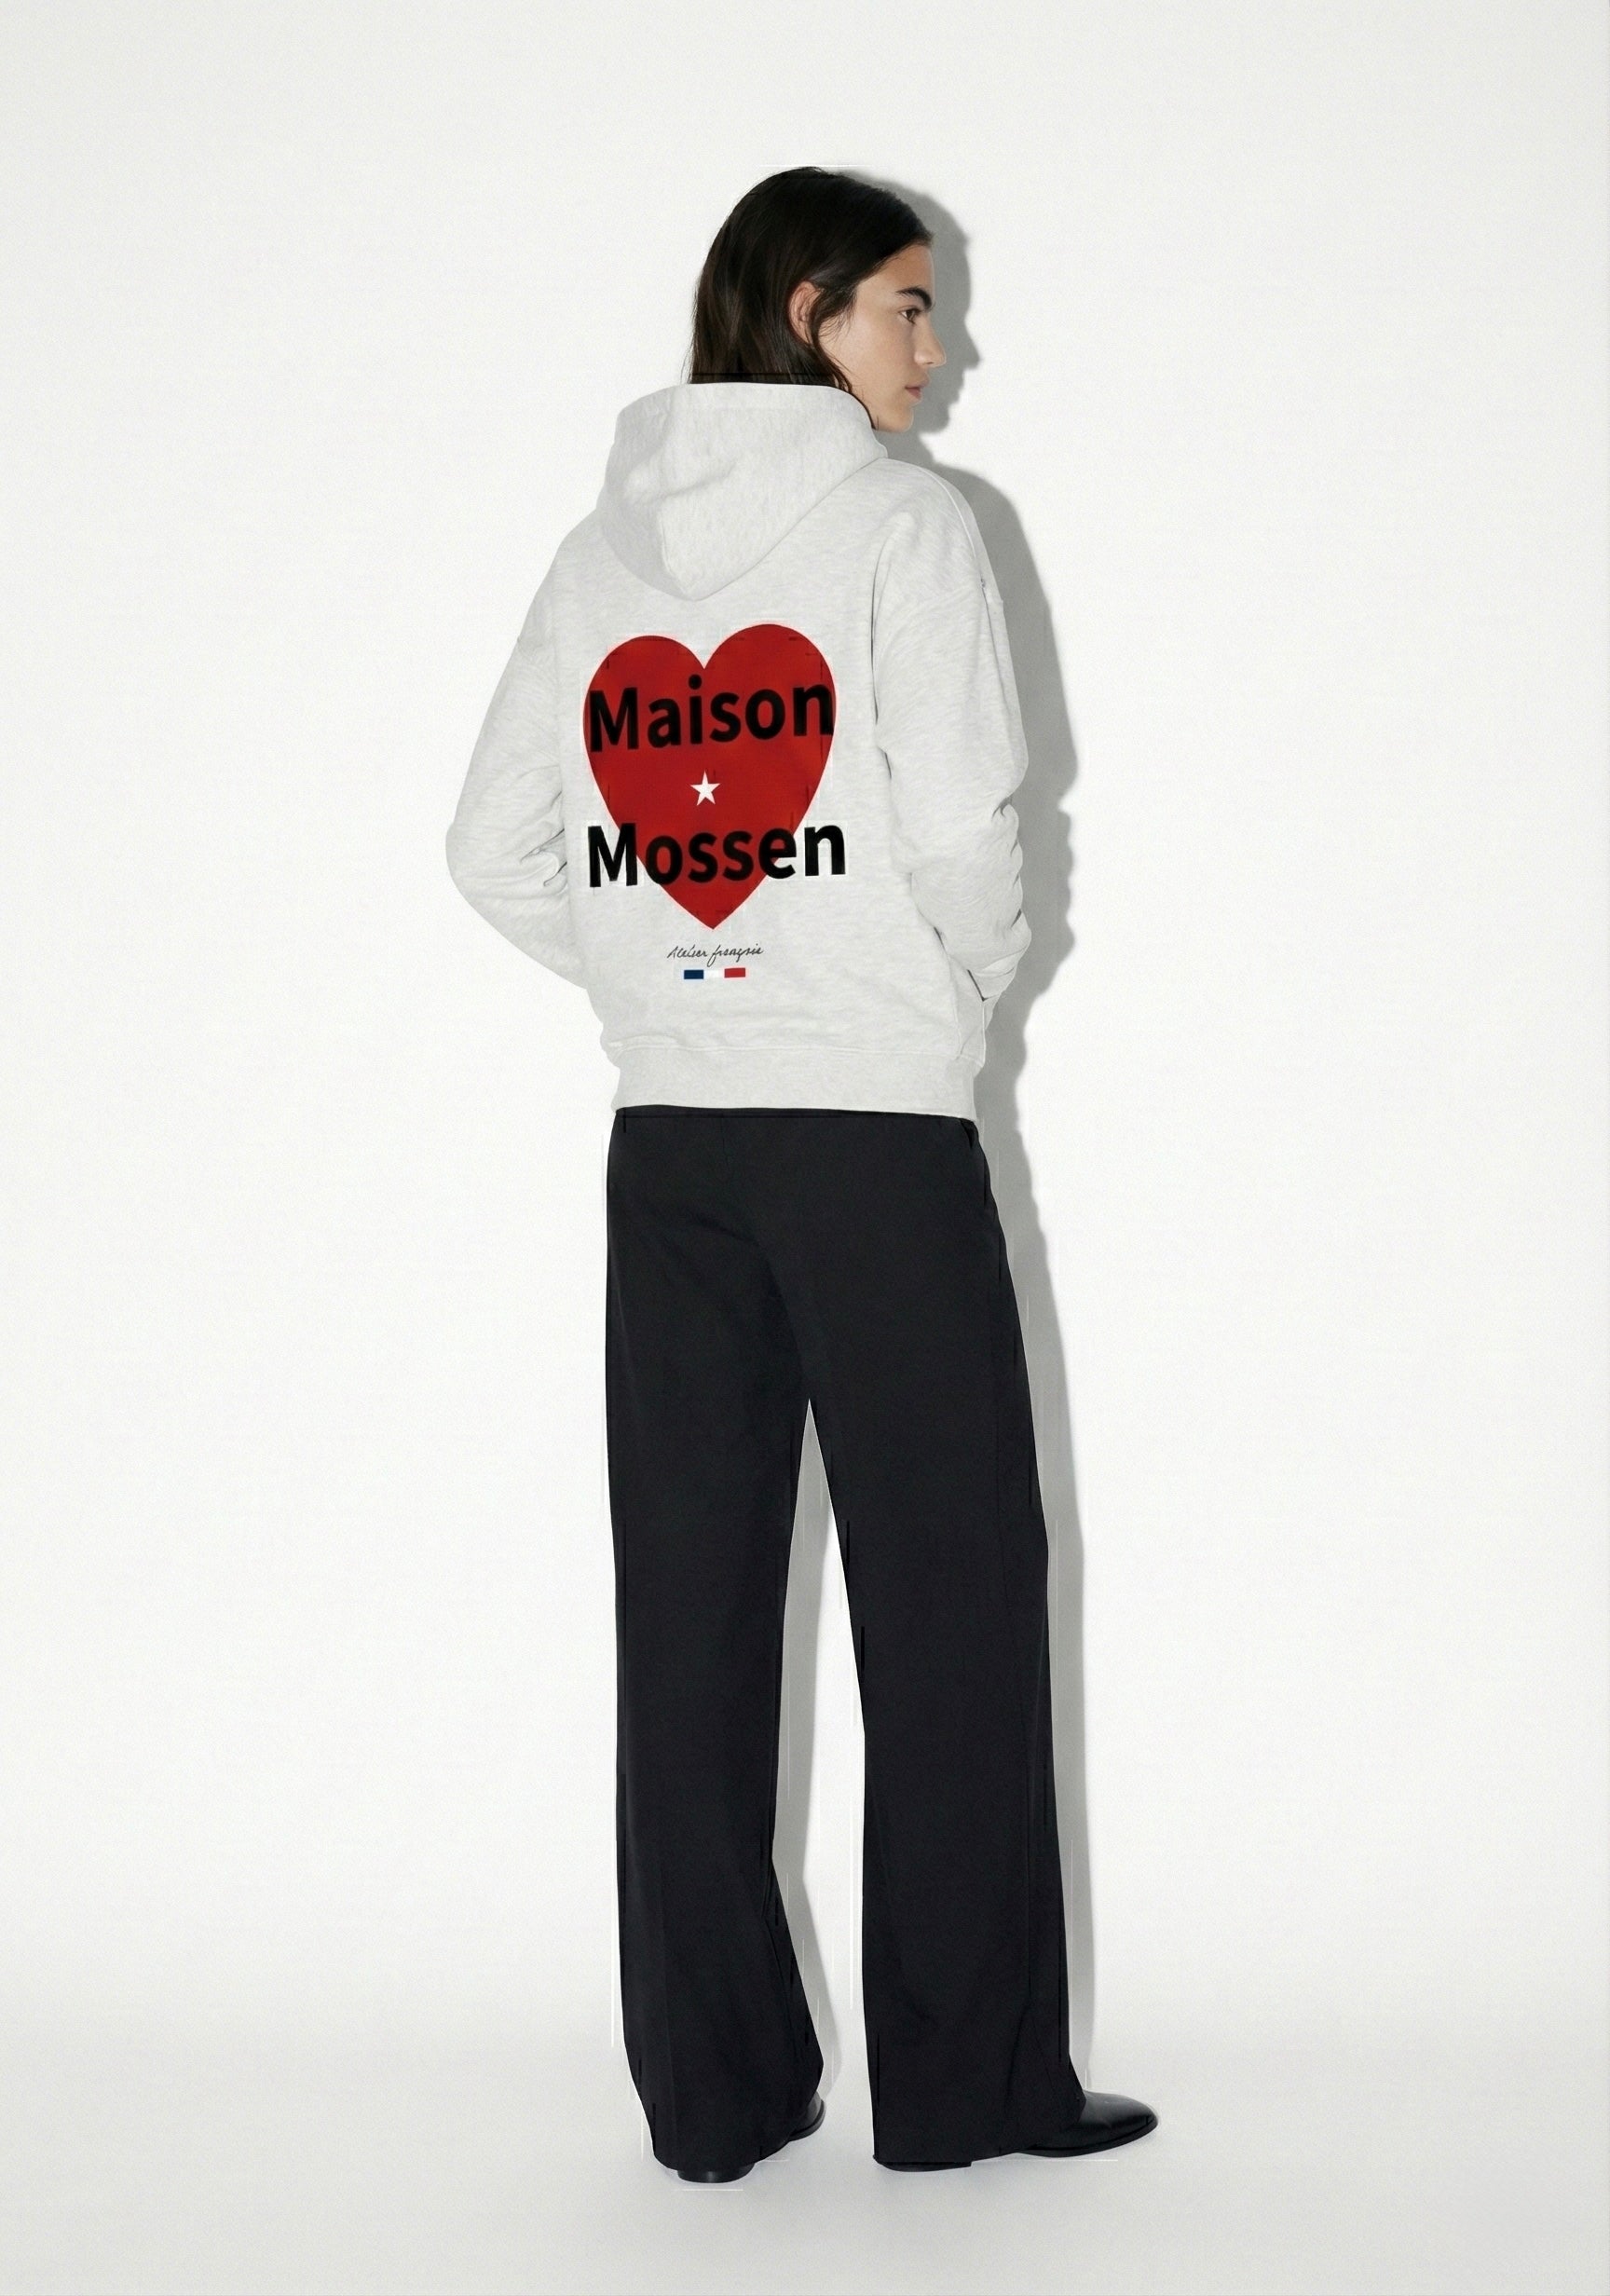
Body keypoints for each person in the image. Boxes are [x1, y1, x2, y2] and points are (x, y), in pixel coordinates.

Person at [445, 165, 1158, 2182]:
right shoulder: (907, 526)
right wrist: (923, 998)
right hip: (874, 1135)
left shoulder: (598, 555)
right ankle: (968, 2085)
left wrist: (678, 983)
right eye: (911, 306)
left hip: (672, 1146)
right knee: (953, 1600)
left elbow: (492, 849)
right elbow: (967, 829)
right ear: (809, 311)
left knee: (687, 1616)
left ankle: (714, 2091)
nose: (941, 346)